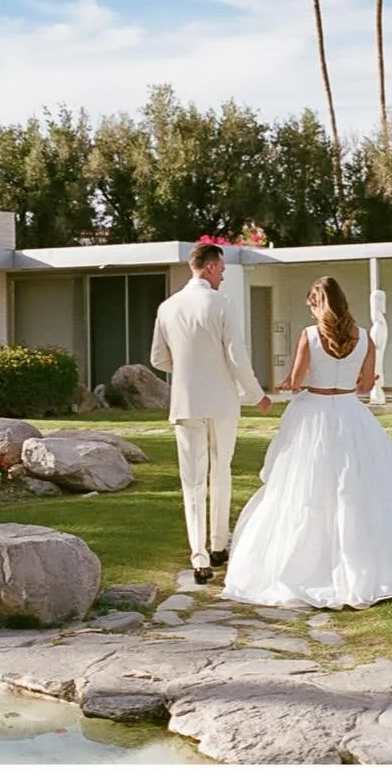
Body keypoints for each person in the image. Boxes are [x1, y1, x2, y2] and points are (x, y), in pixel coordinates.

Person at [223, 275, 392, 609]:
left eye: (311, 303)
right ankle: (375, 560)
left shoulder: (309, 335)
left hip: (314, 412)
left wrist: (288, 381)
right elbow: (364, 386)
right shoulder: (364, 338)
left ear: (317, 303)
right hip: (350, 411)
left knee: (307, 486)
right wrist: (356, 378)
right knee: (361, 483)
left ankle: (308, 564)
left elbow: (298, 381)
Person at [150, 242, 273, 583]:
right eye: (221, 268)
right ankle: (219, 544)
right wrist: (257, 395)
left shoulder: (167, 307)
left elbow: (158, 358)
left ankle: (200, 557)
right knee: (220, 472)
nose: (223, 275)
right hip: (221, 402)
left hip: (185, 402)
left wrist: (187, 367)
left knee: (192, 481)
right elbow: (237, 356)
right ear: (209, 266)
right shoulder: (222, 304)